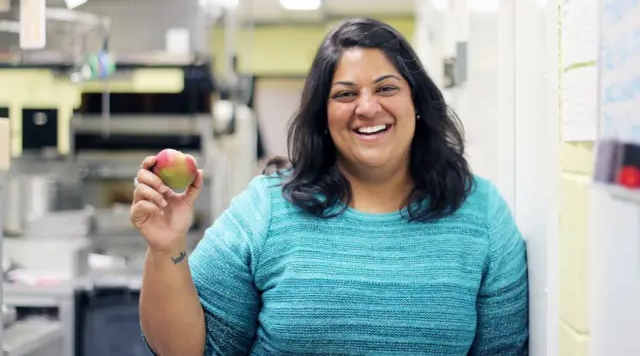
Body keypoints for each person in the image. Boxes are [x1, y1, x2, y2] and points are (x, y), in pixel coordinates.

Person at [132, 18, 529, 356]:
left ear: (418, 102)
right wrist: (166, 247)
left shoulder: (481, 214)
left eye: (386, 88)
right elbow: (187, 349)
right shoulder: (267, 208)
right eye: (345, 94)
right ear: (323, 116)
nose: (367, 107)